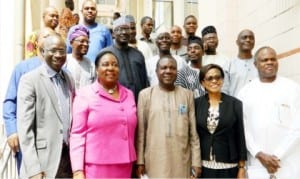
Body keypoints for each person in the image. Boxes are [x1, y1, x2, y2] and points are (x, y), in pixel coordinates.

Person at [70, 50, 137, 178]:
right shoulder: (85, 95)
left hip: (124, 165)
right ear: (96, 69)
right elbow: (77, 134)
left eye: (115, 64)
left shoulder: (129, 94)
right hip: (96, 167)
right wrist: (78, 170)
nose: (111, 68)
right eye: (105, 64)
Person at [238, 46, 300, 178]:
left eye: (273, 59)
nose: (270, 62)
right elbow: (243, 128)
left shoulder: (293, 88)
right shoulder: (245, 92)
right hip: (258, 163)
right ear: (255, 64)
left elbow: (297, 127)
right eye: (264, 60)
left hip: (288, 162)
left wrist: (278, 155)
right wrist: (259, 154)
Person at [17, 34, 74, 178]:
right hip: (42, 163)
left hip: (66, 160)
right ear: (43, 52)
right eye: (53, 50)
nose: (58, 55)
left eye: (62, 51)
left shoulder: (69, 79)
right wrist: (34, 169)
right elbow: (25, 129)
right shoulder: (30, 80)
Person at [136, 56, 201, 178]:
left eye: (172, 68)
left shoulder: (187, 95)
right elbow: (141, 133)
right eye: (164, 68)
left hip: (182, 159)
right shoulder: (145, 95)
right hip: (155, 159)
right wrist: (140, 161)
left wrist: (196, 162)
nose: (168, 71)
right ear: (156, 72)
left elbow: (193, 133)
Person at [2, 27, 56, 172]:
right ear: (37, 42)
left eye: (52, 37)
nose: (49, 40)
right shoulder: (22, 68)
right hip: (28, 138)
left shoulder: (62, 71)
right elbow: (10, 101)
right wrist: (12, 131)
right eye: (45, 37)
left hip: (53, 141)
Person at [195, 64, 247, 178]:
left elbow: (240, 135)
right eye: (209, 78)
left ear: (222, 79)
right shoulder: (196, 104)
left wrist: (242, 167)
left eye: (217, 77)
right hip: (204, 166)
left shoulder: (235, 104)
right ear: (203, 83)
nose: (214, 81)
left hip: (229, 166)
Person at [100, 16, 148, 101]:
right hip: (113, 101)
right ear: (113, 34)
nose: (124, 32)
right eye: (120, 29)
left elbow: (145, 82)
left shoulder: (138, 54)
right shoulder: (105, 54)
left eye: (126, 29)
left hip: (138, 101)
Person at [65, 25, 96, 91]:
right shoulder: (64, 61)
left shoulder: (91, 65)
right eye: (82, 41)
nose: (86, 44)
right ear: (71, 43)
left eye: (87, 42)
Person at [228, 29, 258, 97]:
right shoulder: (229, 65)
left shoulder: (260, 64)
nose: (248, 40)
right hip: (236, 106)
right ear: (237, 42)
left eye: (251, 38)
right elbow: (224, 91)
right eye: (244, 37)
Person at [201, 25, 230, 93]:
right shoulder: (199, 59)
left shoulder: (225, 59)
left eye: (214, 38)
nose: (212, 40)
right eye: (208, 39)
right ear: (203, 41)